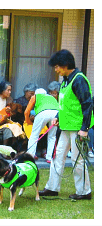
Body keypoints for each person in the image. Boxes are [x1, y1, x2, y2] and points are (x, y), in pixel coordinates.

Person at [39, 49, 92, 200]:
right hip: (64, 127)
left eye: (57, 66)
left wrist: (84, 129)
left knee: (78, 160)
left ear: (65, 65)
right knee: (57, 157)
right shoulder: (65, 80)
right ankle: (52, 188)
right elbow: (64, 105)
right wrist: (57, 116)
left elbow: (87, 105)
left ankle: (84, 192)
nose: (55, 70)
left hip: (77, 129)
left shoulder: (79, 80)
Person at [0, 81, 25, 146]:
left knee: (16, 127)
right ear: (2, 90)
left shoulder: (10, 99)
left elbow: (12, 115)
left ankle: (12, 149)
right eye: (8, 90)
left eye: (10, 90)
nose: (10, 92)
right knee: (8, 130)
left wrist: (10, 113)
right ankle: (4, 150)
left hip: (6, 122)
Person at [23, 88, 58, 159]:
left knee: (34, 135)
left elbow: (26, 112)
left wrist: (28, 122)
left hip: (42, 113)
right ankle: (49, 157)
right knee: (52, 136)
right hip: (56, 114)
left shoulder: (35, 96)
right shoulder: (51, 97)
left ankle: (30, 156)